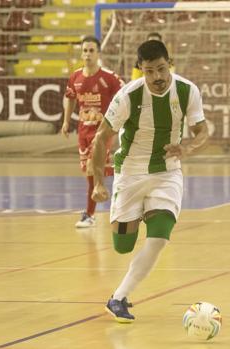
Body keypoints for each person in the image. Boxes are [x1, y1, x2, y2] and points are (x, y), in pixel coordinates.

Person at [90, 40, 209, 323]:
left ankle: (118, 298)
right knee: (123, 246)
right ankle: (139, 214)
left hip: (167, 172)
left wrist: (189, 148)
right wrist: (97, 183)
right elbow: (101, 137)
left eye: (161, 69)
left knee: (159, 237)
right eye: (149, 71)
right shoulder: (128, 95)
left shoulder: (187, 90)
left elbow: (202, 131)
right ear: (140, 70)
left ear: (170, 63)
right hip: (130, 173)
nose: (157, 77)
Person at [61, 35, 124, 228]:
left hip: (103, 131)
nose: (87, 54)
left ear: (98, 53)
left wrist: (118, 124)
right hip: (83, 131)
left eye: (91, 50)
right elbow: (70, 97)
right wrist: (66, 121)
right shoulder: (76, 77)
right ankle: (126, 171)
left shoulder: (109, 77)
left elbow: (124, 98)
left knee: (91, 167)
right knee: (92, 172)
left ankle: (89, 214)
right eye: (85, 50)